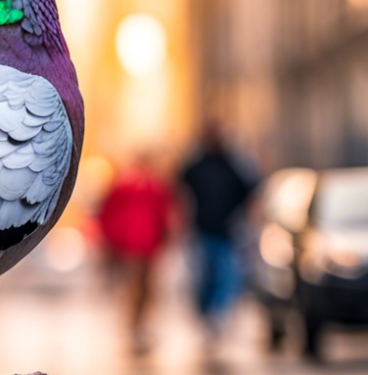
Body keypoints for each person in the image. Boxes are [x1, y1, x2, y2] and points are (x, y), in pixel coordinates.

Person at [178, 123, 257, 348]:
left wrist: (245, 220)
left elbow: (250, 191)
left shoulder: (233, 165)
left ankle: (217, 316)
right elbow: (181, 190)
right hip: (201, 232)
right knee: (202, 280)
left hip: (226, 233)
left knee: (227, 277)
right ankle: (206, 314)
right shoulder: (195, 166)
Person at [96, 152, 177, 355]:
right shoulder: (149, 186)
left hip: (137, 244)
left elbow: (107, 214)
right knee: (141, 288)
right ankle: (137, 326)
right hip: (139, 244)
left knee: (143, 288)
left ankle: (138, 325)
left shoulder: (131, 185)